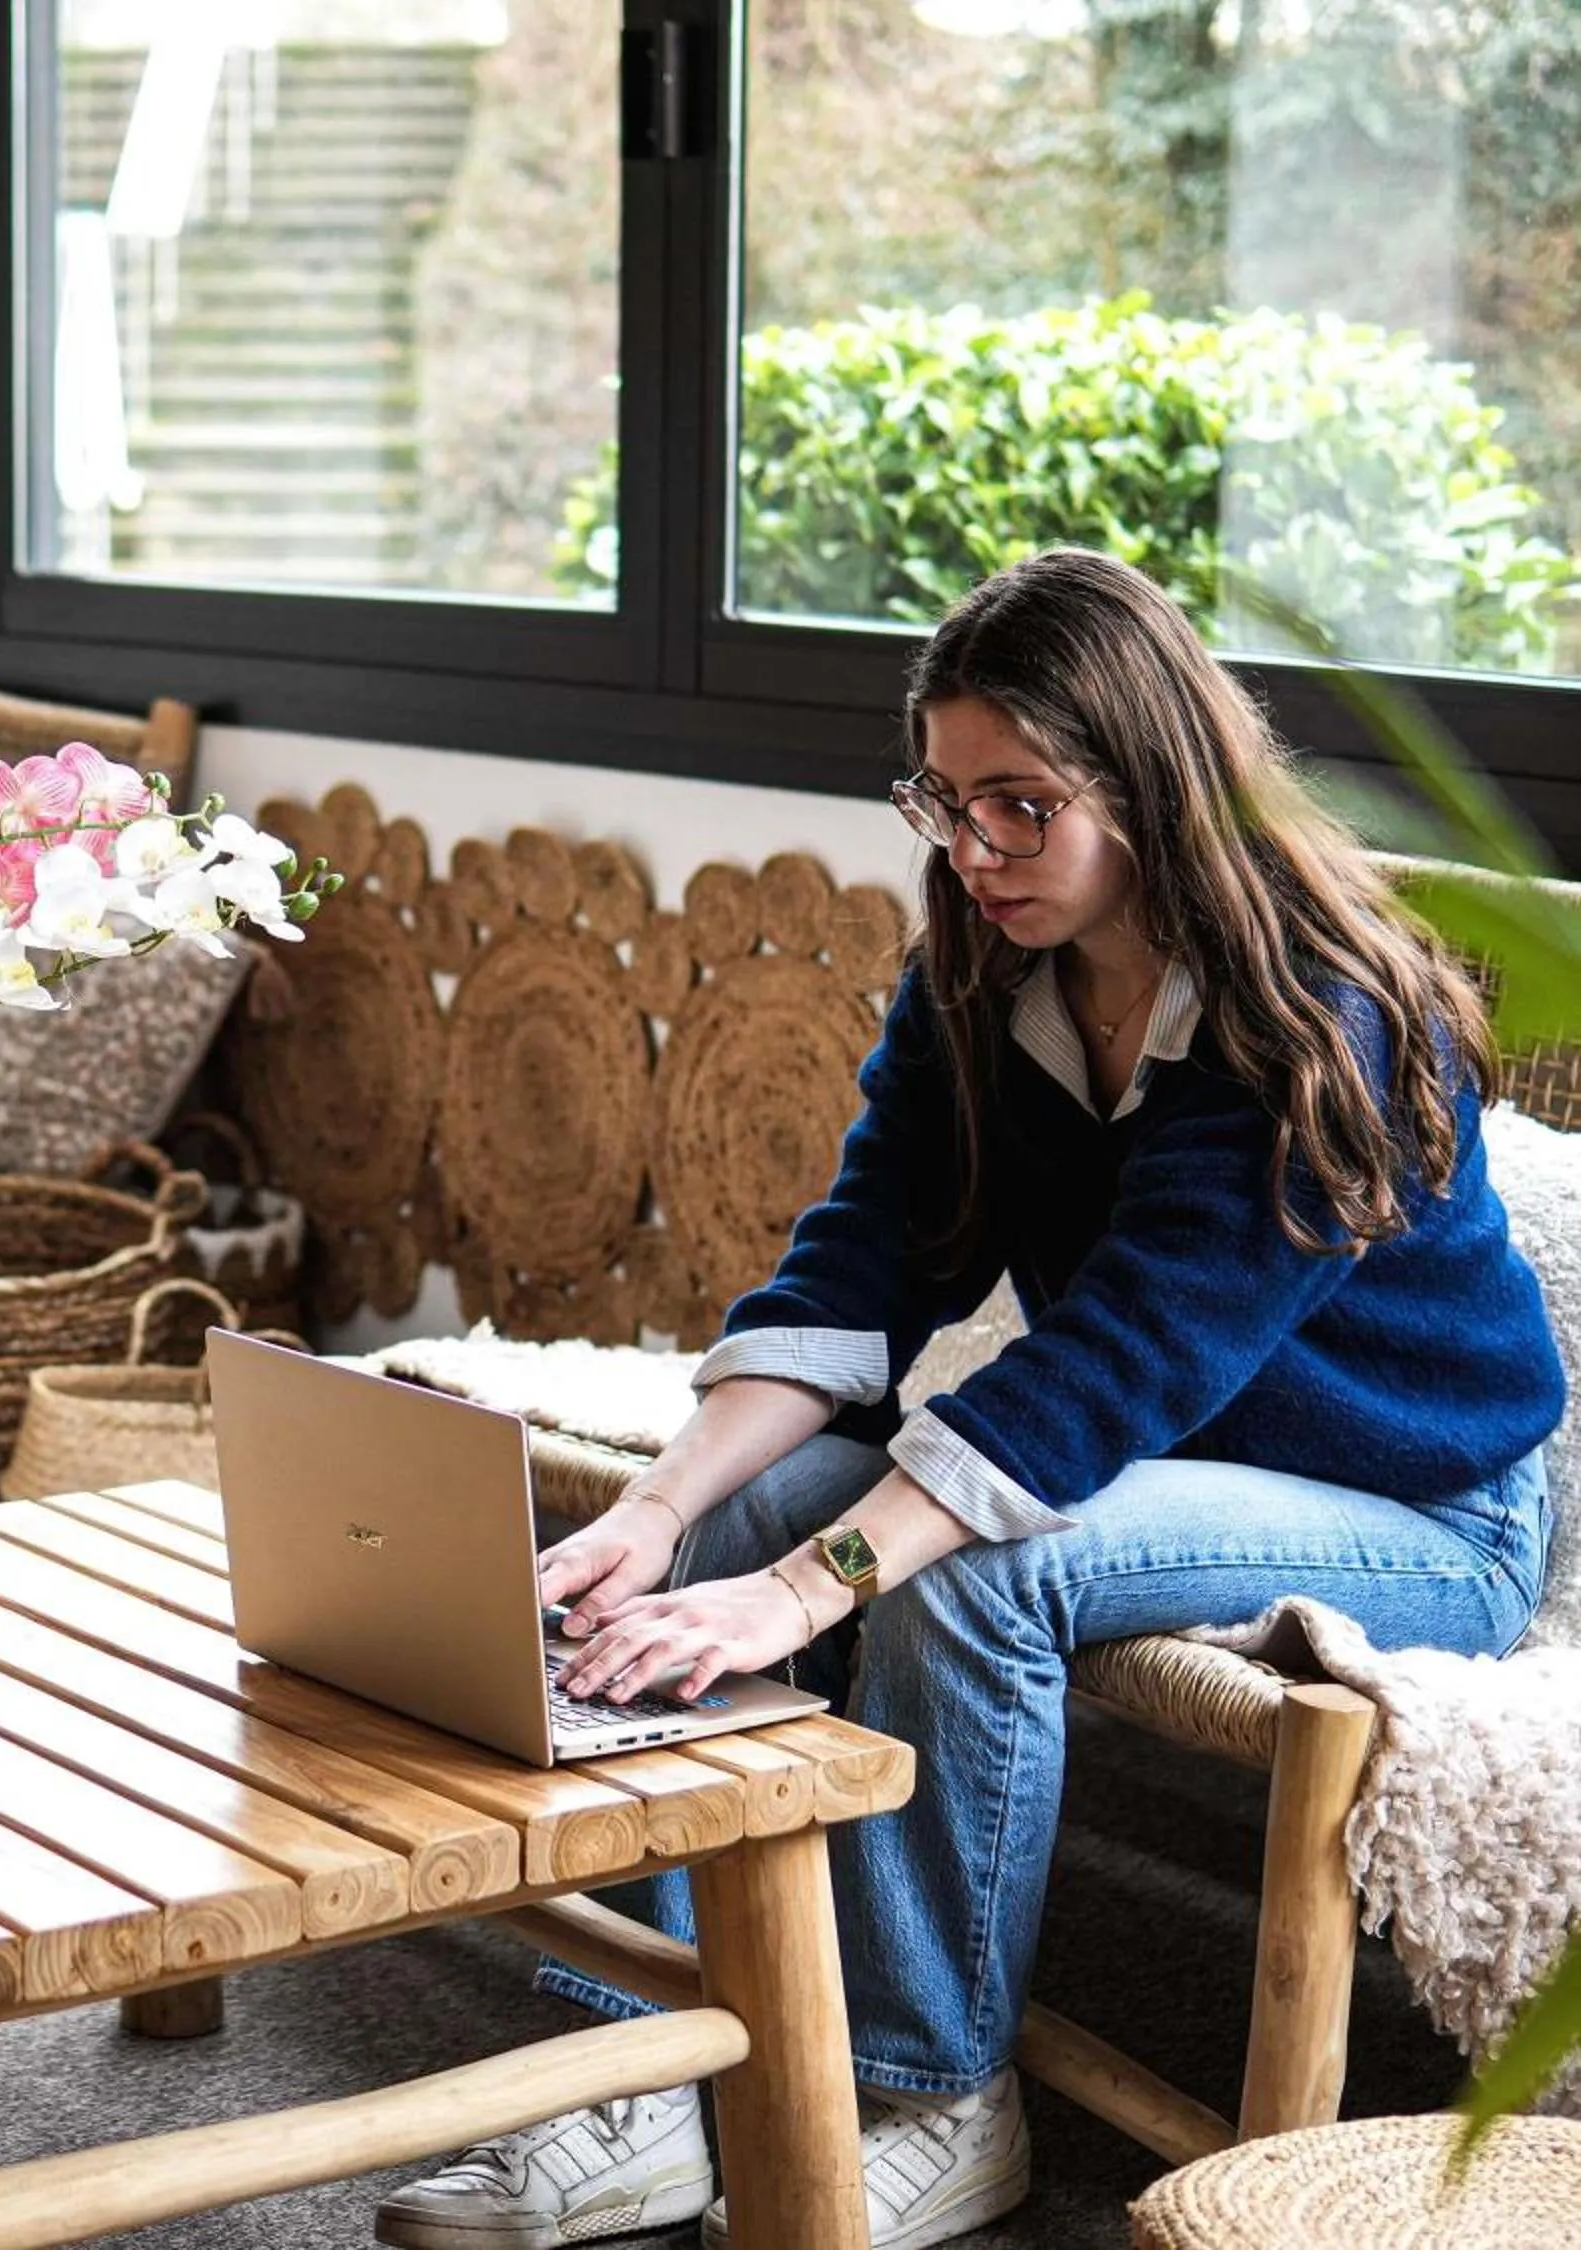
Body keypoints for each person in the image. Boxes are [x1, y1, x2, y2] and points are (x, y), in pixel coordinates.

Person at [374, 548, 1563, 2250]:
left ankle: (937, 2088)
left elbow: (1111, 1365)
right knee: (735, 1511)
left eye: (1024, 807)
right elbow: (863, 1266)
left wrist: (804, 1588)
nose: (977, 851)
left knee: (973, 1561)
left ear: (1151, 785)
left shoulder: (1323, 1011)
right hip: (1174, 1452)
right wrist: (661, 1511)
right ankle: (684, 2053)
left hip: (1423, 1517)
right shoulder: (978, 973)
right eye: (948, 800)